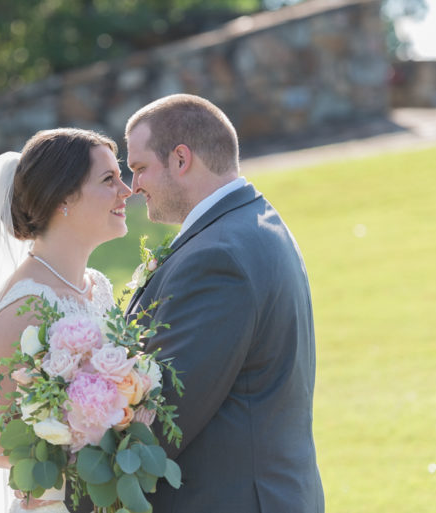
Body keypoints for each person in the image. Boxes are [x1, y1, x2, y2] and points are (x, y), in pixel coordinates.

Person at [123, 94, 325, 512]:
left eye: (140, 168)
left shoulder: (217, 258)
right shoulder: (251, 222)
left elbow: (168, 420)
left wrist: (67, 495)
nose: (133, 187)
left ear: (181, 159)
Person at [0, 128, 132, 513]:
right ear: (64, 197)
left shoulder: (96, 285)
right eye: (108, 179)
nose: (126, 190)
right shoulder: (25, 303)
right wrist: (83, 441)